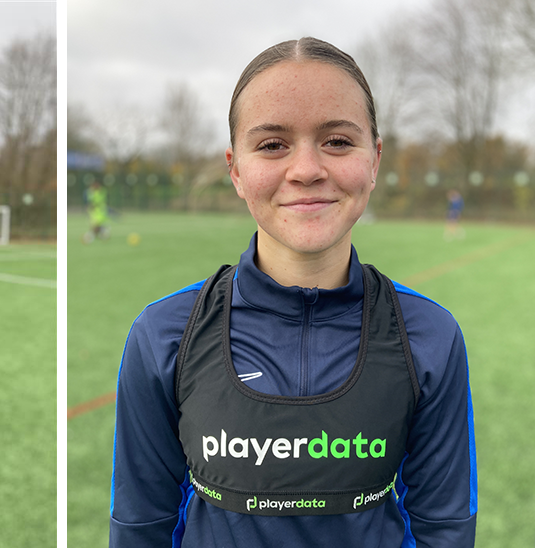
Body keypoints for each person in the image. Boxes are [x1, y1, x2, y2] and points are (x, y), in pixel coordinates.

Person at [109, 37, 476, 547]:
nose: (306, 170)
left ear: (374, 160)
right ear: (235, 169)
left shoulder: (429, 336)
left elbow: (446, 528)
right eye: (272, 144)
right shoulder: (165, 334)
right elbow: (141, 526)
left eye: (338, 141)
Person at [83, 178, 111, 243]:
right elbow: (90, 202)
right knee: (95, 227)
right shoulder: (90, 192)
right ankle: (91, 236)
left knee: (97, 227)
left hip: (101, 212)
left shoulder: (103, 191)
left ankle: (90, 237)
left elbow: (101, 200)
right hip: (93, 212)